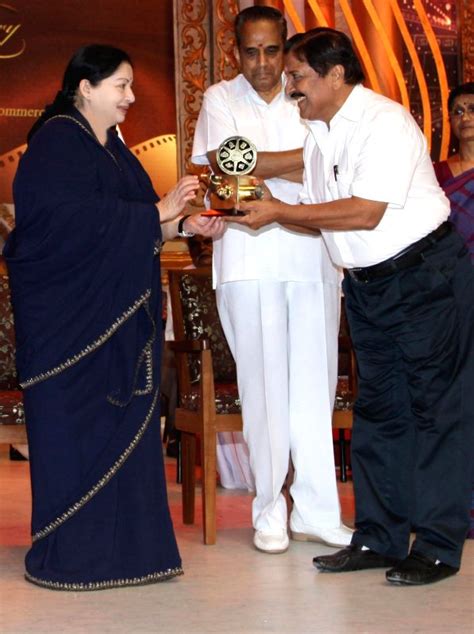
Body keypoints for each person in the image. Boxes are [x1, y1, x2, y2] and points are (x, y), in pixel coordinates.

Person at [231, 29, 474, 585]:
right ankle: (379, 538)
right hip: (367, 285)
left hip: (423, 277)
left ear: (335, 74)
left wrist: (275, 213)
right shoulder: (319, 128)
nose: (289, 86)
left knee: (435, 412)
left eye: (297, 75)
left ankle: (437, 547)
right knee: (379, 412)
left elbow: (364, 212)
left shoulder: (384, 122)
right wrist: (240, 181)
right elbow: (303, 177)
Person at [3, 44, 224, 590]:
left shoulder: (113, 149)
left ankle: (133, 554)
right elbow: (62, 230)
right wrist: (159, 213)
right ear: (86, 88)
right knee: (78, 440)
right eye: (121, 86)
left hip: (118, 325)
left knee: (126, 436)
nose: (130, 96)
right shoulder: (55, 143)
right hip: (70, 332)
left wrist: (187, 226)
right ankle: (75, 557)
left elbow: (143, 224)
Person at [192, 6, 352, 554]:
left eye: (271, 51)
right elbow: (225, 166)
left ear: (286, 47)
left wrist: (265, 162)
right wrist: (292, 161)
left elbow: (324, 160)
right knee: (263, 392)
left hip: (313, 257)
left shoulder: (306, 93)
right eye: (250, 51)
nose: (262, 64)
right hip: (246, 262)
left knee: (315, 388)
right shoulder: (219, 98)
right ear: (235, 50)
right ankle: (269, 510)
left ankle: (317, 510)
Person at [434, 82, 473, 262]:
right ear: (450, 122)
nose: (465, 117)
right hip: (453, 269)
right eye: (457, 112)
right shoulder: (436, 173)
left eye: (472, 109)